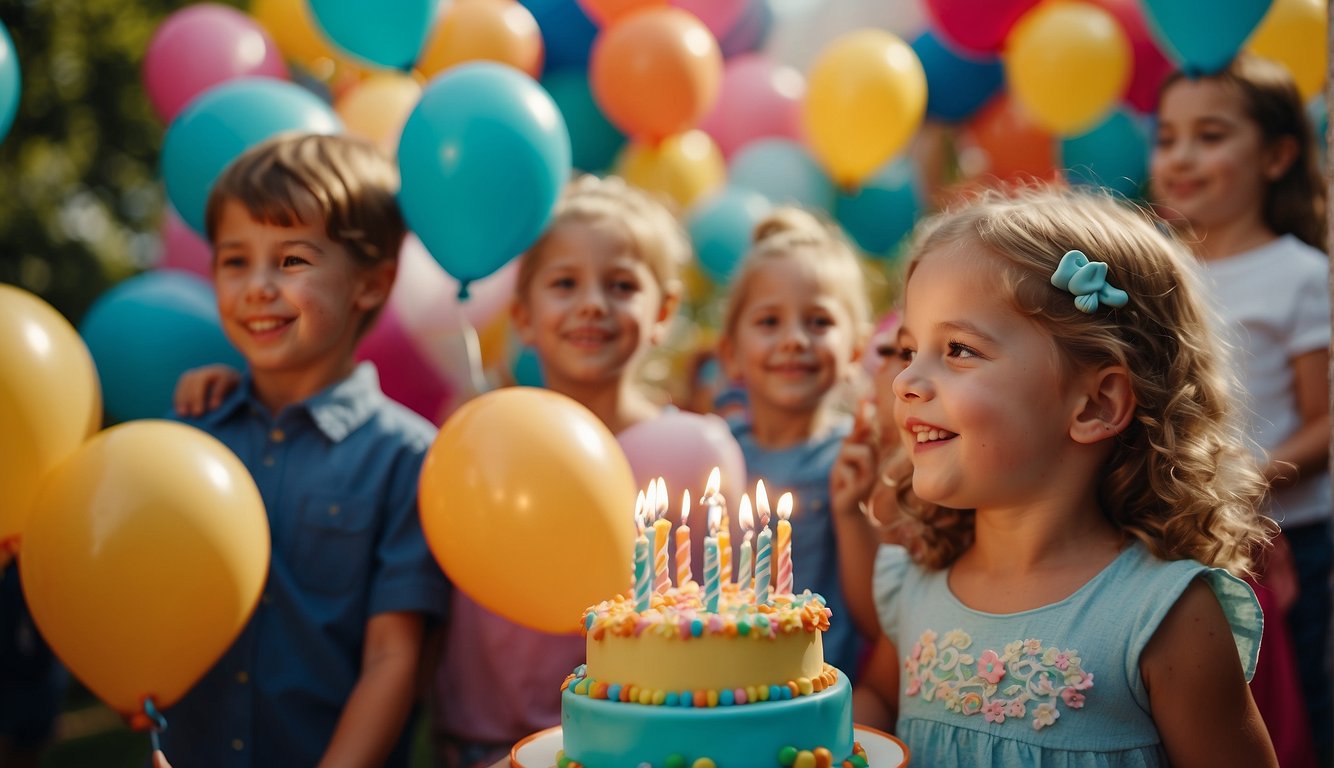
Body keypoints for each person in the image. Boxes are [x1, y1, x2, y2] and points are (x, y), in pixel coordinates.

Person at [840, 186, 1277, 765]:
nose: (905, 381)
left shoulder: (1166, 618)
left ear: (1094, 405)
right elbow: (878, 695)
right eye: (907, 349)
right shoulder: (917, 586)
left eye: (959, 349)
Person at [159, 132, 448, 768]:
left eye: (291, 260)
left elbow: (392, 659)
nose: (258, 286)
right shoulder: (189, 437)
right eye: (235, 261)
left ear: (370, 284)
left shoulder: (408, 458)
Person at [1151, 53, 1330, 765]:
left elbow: (1325, 418)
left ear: (1279, 154)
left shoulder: (1300, 274)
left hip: (1289, 535)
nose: (1182, 156)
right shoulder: (1159, 269)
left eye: (1211, 135)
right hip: (1182, 534)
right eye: (1167, 138)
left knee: (1295, 709)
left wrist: (1243, 484)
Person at [716, 207, 873, 684]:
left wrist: (851, 512)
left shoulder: (858, 457)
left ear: (854, 351)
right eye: (769, 321)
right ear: (731, 353)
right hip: (715, 691)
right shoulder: (716, 453)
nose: (794, 340)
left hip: (816, 697)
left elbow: (875, 620)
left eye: (819, 321)